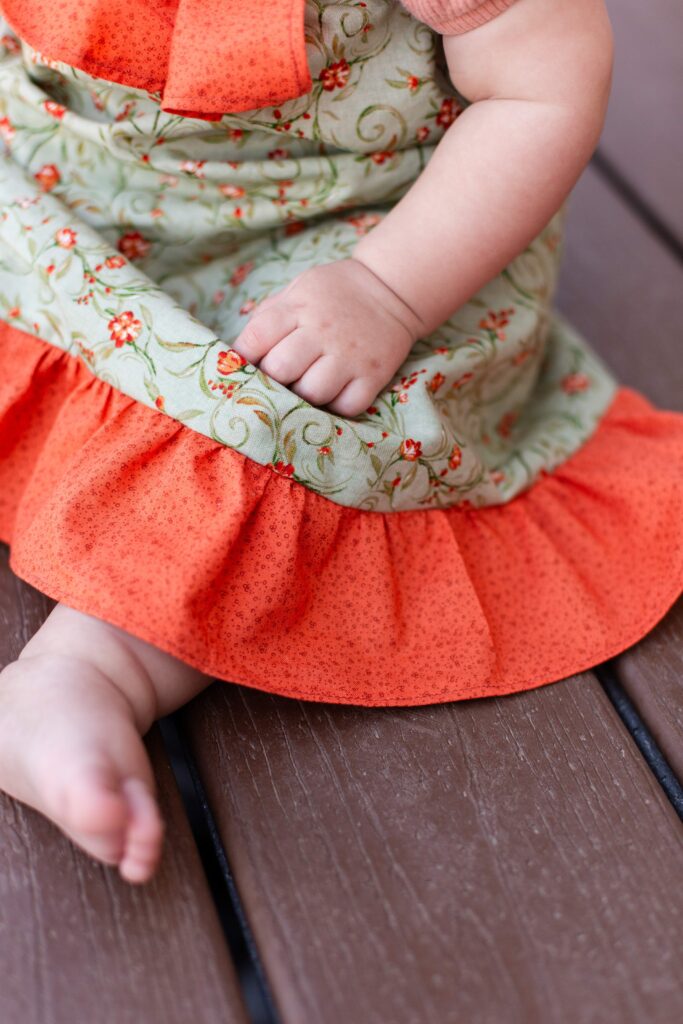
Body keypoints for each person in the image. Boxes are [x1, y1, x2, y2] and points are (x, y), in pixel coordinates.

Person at [0, 0, 681, 884]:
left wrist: (385, 293)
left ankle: (89, 671)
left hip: (350, 246)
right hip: (66, 183)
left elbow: (539, 89)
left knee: (280, 433)